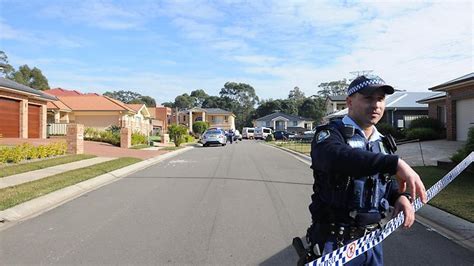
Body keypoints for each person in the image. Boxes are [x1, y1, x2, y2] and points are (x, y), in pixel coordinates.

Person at [306, 75, 427, 265]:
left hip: (372, 241)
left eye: (380, 99)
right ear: (349, 102)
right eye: (368, 98)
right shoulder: (330, 134)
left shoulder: (382, 142)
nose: (376, 105)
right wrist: (394, 163)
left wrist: (400, 197)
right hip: (335, 243)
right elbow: (336, 157)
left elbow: (384, 182)